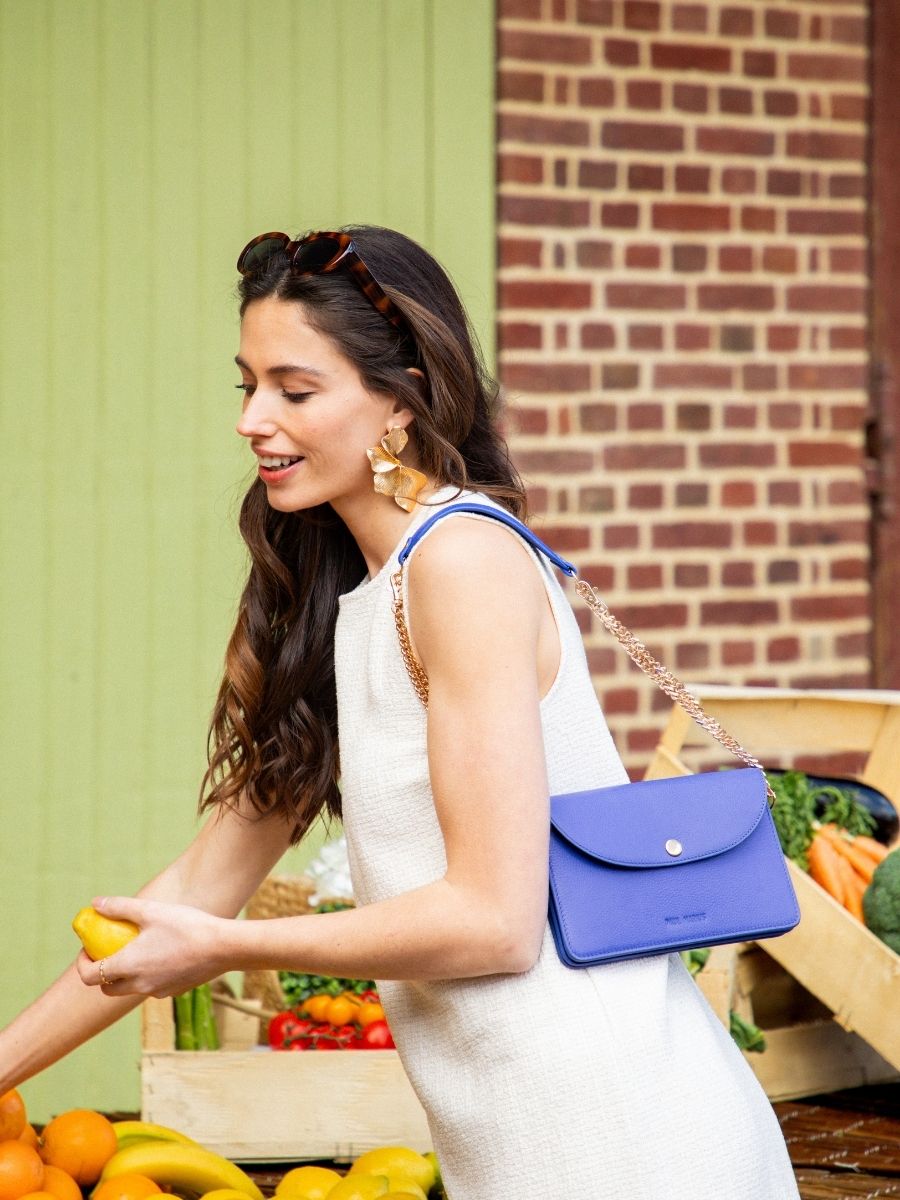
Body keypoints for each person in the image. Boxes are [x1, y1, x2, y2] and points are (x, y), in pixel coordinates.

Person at [0, 226, 800, 1199]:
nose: (252, 419)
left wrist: (230, 949)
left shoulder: (461, 562)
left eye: (295, 391)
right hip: (514, 1141)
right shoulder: (341, 595)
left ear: (400, 400)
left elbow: (494, 921)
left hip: (622, 1139)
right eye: (246, 385)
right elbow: (203, 885)